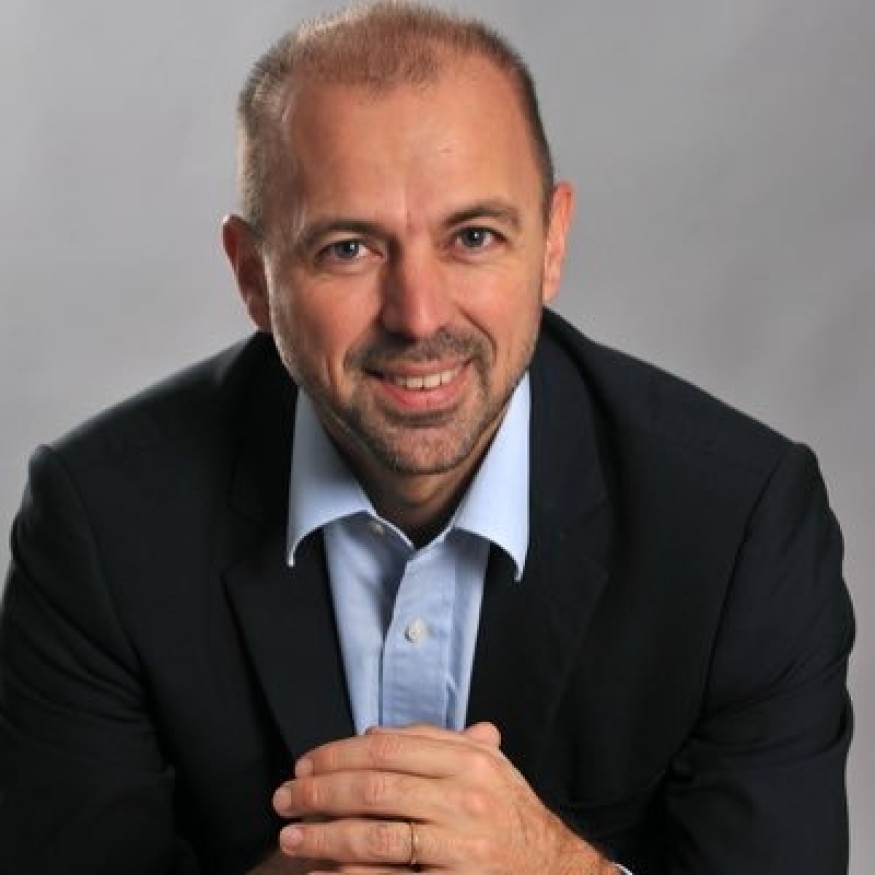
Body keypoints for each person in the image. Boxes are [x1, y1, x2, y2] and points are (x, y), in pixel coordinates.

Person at [0, 2, 854, 873]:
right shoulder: (99, 524)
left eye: (473, 237)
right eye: (347, 249)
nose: (418, 316)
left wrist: (558, 867)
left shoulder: (739, 527)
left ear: (551, 243)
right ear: (253, 275)